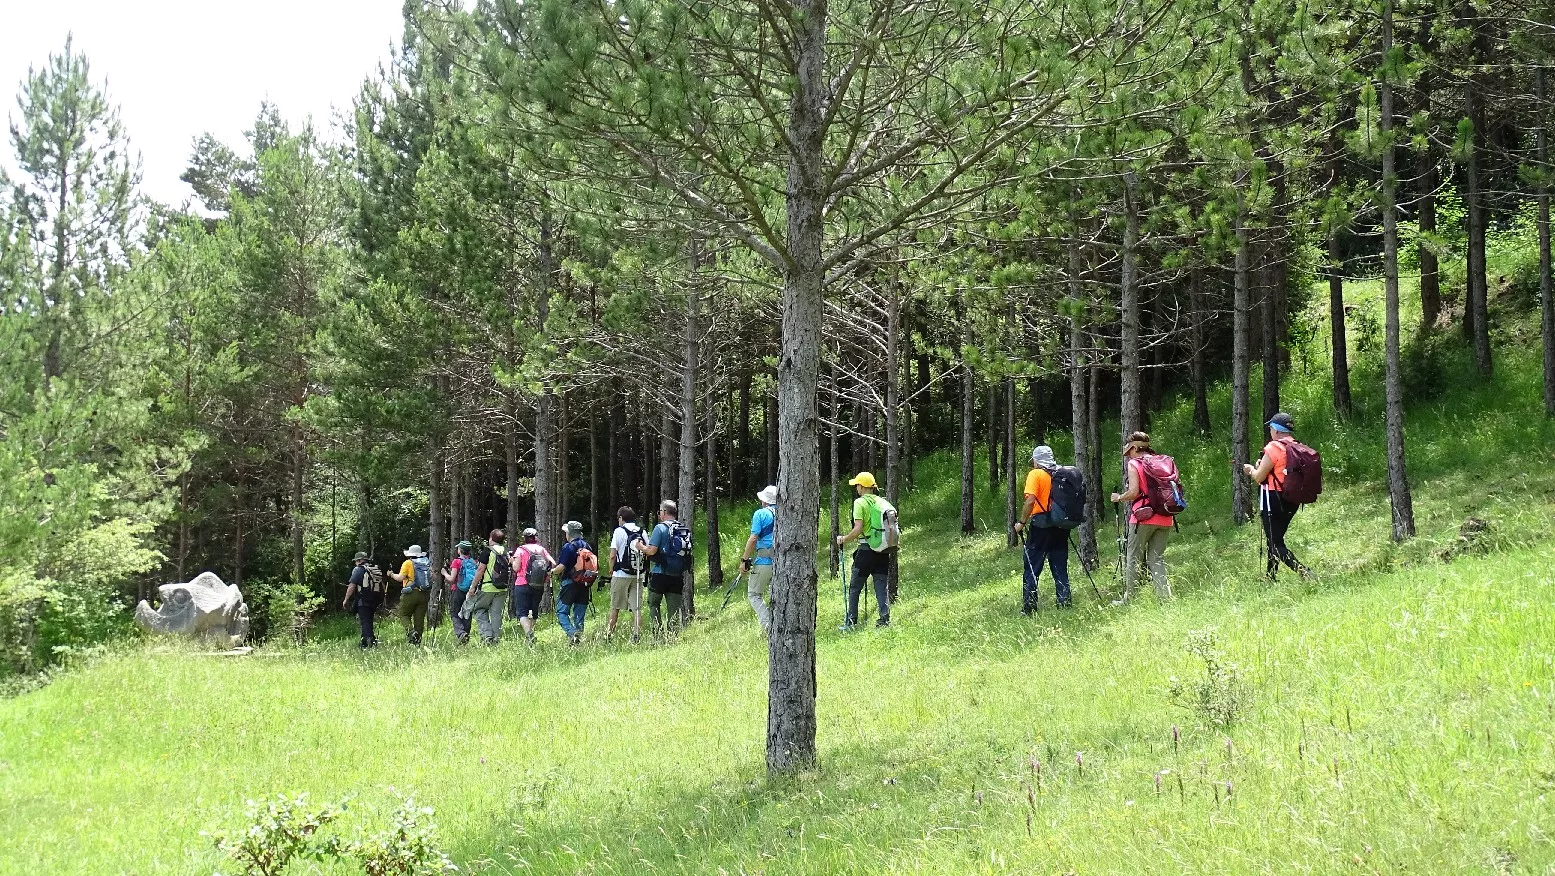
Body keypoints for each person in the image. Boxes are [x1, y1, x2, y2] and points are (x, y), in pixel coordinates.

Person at [1110, 432, 1174, 605]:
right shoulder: (1164, 461)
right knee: (1156, 558)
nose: (1128, 454)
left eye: (1129, 450)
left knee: (1133, 558)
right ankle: (1165, 599)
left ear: (1134, 448)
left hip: (1142, 518)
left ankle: (1129, 599)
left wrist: (1119, 498)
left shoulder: (1135, 464)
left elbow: (1133, 492)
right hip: (1166, 516)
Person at [1245, 412, 1310, 579]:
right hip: (1292, 499)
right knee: (1275, 538)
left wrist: (1251, 470)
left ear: (1275, 430)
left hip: (1273, 499)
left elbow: (1259, 477)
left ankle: (1304, 573)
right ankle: (1270, 576)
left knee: (1275, 543)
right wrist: (1262, 466)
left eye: (1271, 428)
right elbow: (1278, 470)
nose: (1270, 432)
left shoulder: (1273, 447)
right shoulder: (1296, 445)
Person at [1013, 446, 1071, 613]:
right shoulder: (1060, 472)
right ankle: (1064, 603)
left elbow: (1030, 500)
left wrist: (1022, 522)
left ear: (1036, 460)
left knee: (1032, 566)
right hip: (1060, 524)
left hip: (1041, 525)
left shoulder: (1036, 474)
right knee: (1059, 565)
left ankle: (1029, 607)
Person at [835, 471, 893, 630]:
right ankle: (885, 619)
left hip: (866, 551)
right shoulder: (882, 502)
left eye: (857, 485)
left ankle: (851, 621)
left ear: (861, 486)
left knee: (855, 587)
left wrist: (844, 539)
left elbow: (858, 528)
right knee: (881, 586)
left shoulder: (860, 503)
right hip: (883, 550)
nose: (856, 488)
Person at [639, 499, 687, 636]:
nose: (659, 514)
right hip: (677, 575)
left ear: (664, 512)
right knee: (674, 609)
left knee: (654, 604)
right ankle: (673, 636)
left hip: (660, 574)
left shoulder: (660, 528)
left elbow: (652, 551)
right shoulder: (682, 528)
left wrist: (641, 547)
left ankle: (658, 635)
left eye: (660, 511)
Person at [737, 485, 778, 633]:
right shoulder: (785, 512)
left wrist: (744, 560)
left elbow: (754, 538)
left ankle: (768, 627)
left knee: (754, 594)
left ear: (765, 501)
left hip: (764, 561)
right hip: (782, 562)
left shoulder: (760, 514)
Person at [550, 521, 596, 644]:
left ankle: (572, 633)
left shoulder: (568, 547)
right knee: (579, 615)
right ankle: (578, 638)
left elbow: (562, 567)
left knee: (561, 612)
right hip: (585, 585)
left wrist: (552, 572)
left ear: (569, 533)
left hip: (569, 584)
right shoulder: (588, 546)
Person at [606, 506, 646, 643]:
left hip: (621, 574)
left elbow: (612, 555)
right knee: (637, 609)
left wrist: (611, 569)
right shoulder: (642, 531)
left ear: (621, 518)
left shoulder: (619, 531)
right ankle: (637, 636)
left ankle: (609, 636)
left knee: (615, 607)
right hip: (638, 575)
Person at [509, 528, 554, 645]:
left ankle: (529, 634)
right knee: (533, 611)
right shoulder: (541, 549)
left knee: (522, 612)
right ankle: (529, 636)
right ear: (536, 538)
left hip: (522, 583)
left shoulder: (520, 550)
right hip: (538, 584)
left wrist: (511, 560)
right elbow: (553, 563)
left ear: (524, 538)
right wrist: (547, 575)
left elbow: (516, 568)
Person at [465, 529, 508, 645]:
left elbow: (480, 569)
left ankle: (486, 635)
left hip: (488, 587)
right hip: (502, 587)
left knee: (479, 609)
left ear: (491, 538)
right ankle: (496, 639)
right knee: (496, 614)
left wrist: (473, 587)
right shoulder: (505, 551)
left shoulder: (487, 551)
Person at [388, 544, 431, 645]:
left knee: (403, 614)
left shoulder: (407, 563)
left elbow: (400, 578)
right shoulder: (426, 562)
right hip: (424, 593)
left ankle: (411, 632)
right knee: (419, 619)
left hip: (410, 593)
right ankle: (417, 642)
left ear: (410, 554)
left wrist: (391, 574)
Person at [341, 551, 384, 649]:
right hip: (375, 598)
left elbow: (352, 586)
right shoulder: (374, 569)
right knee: (369, 620)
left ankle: (366, 642)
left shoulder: (358, 570)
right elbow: (382, 584)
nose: (355, 563)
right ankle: (370, 639)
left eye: (356, 561)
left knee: (364, 621)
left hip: (364, 598)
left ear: (359, 560)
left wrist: (346, 599)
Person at [441, 541, 477, 645]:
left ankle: (461, 633)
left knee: (454, 613)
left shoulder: (457, 562)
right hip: (470, 591)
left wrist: (444, 573)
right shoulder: (473, 562)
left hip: (457, 590)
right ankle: (465, 637)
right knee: (467, 613)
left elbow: (452, 579)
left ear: (460, 550)